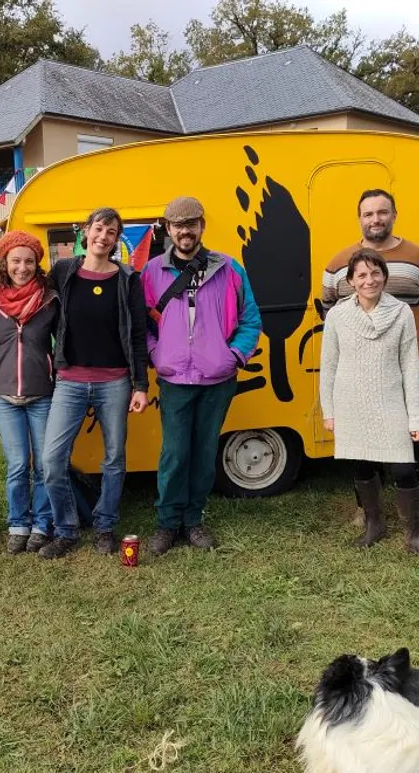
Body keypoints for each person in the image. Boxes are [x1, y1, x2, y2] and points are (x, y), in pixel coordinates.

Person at [322, 188, 419, 537]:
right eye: (368, 214)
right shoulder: (339, 262)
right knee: (361, 444)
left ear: (394, 214)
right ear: (360, 219)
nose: (375, 219)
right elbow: (329, 307)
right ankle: (367, 513)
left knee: (413, 441)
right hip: (359, 369)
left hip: (410, 361)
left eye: (382, 212)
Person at [141, 196, 261, 556]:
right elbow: (141, 323)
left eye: (191, 224)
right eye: (178, 225)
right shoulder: (151, 273)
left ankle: (193, 520)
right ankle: (167, 524)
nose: (185, 231)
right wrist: (155, 353)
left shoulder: (229, 269)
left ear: (202, 226)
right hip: (175, 378)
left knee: (204, 451)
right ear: (168, 229)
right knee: (175, 453)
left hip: (217, 378)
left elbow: (250, 318)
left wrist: (233, 356)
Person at [36, 207, 150, 560]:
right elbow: (32, 300)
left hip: (114, 381)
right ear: (86, 232)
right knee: (52, 461)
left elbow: (137, 334)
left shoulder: (128, 279)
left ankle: (104, 527)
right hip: (69, 381)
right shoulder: (63, 271)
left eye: (111, 232)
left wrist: (140, 385)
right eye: (98, 228)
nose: (103, 236)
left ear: (117, 240)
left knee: (114, 458)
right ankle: (67, 530)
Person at [319, 248, 419, 560]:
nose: (369, 280)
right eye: (361, 274)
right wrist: (329, 411)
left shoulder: (401, 314)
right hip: (350, 403)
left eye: (375, 273)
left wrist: (416, 418)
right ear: (350, 281)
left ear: (384, 277)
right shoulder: (337, 316)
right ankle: (375, 526)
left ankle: (414, 535)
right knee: (361, 464)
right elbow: (329, 366)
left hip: (389, 401)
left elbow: (410, 369)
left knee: (404, 468)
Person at [0, 230, 59, 555]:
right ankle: (18, 524)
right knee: (16, 466)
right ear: (5, 262)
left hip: (42, 393)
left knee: (44, 465)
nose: (23, 267)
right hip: (4, 396)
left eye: (29, 261)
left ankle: (42, 524)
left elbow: (65, 342)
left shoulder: (50, 300)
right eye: (16, 261)